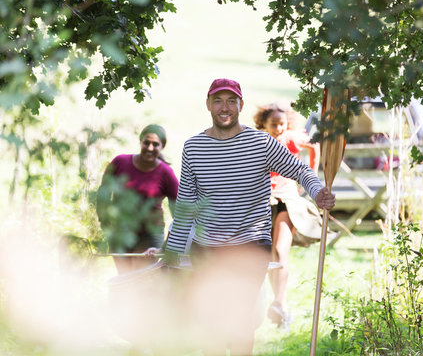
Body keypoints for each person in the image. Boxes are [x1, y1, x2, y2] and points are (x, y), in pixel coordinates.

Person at [154, 79, 335, 355]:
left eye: (230, 101)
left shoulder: (261, 143)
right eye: (218, 101)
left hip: (250, 245)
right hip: (207, 248)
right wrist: (172, 253)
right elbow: (187, 208)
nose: (224, 107)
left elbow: (300, 170)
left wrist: (318, 191)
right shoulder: (193, 148)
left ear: (240, 104)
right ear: (208, 105)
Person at [253, 102, 324, 330]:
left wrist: (311, 172)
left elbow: (314, 146)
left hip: (286, 200)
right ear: (263, 124)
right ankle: (276, 306)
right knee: (267, 254)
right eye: (273, 125)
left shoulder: (291, 138)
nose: (278, 129)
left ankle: (279, 303)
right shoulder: (258, 141)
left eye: (281, 124)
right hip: (263, 201)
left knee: (281, 250)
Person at [97, 124, 179, 274]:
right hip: (120, 234)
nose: (150, 148)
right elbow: (103, 194)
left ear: (162, 147)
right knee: (124, 278)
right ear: (140, 141)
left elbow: (180, 214)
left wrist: (166, 246)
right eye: (146, 142)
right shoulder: (120, 162)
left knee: (140, 280)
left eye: (155, 144)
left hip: (149, 236)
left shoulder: (166, 173)